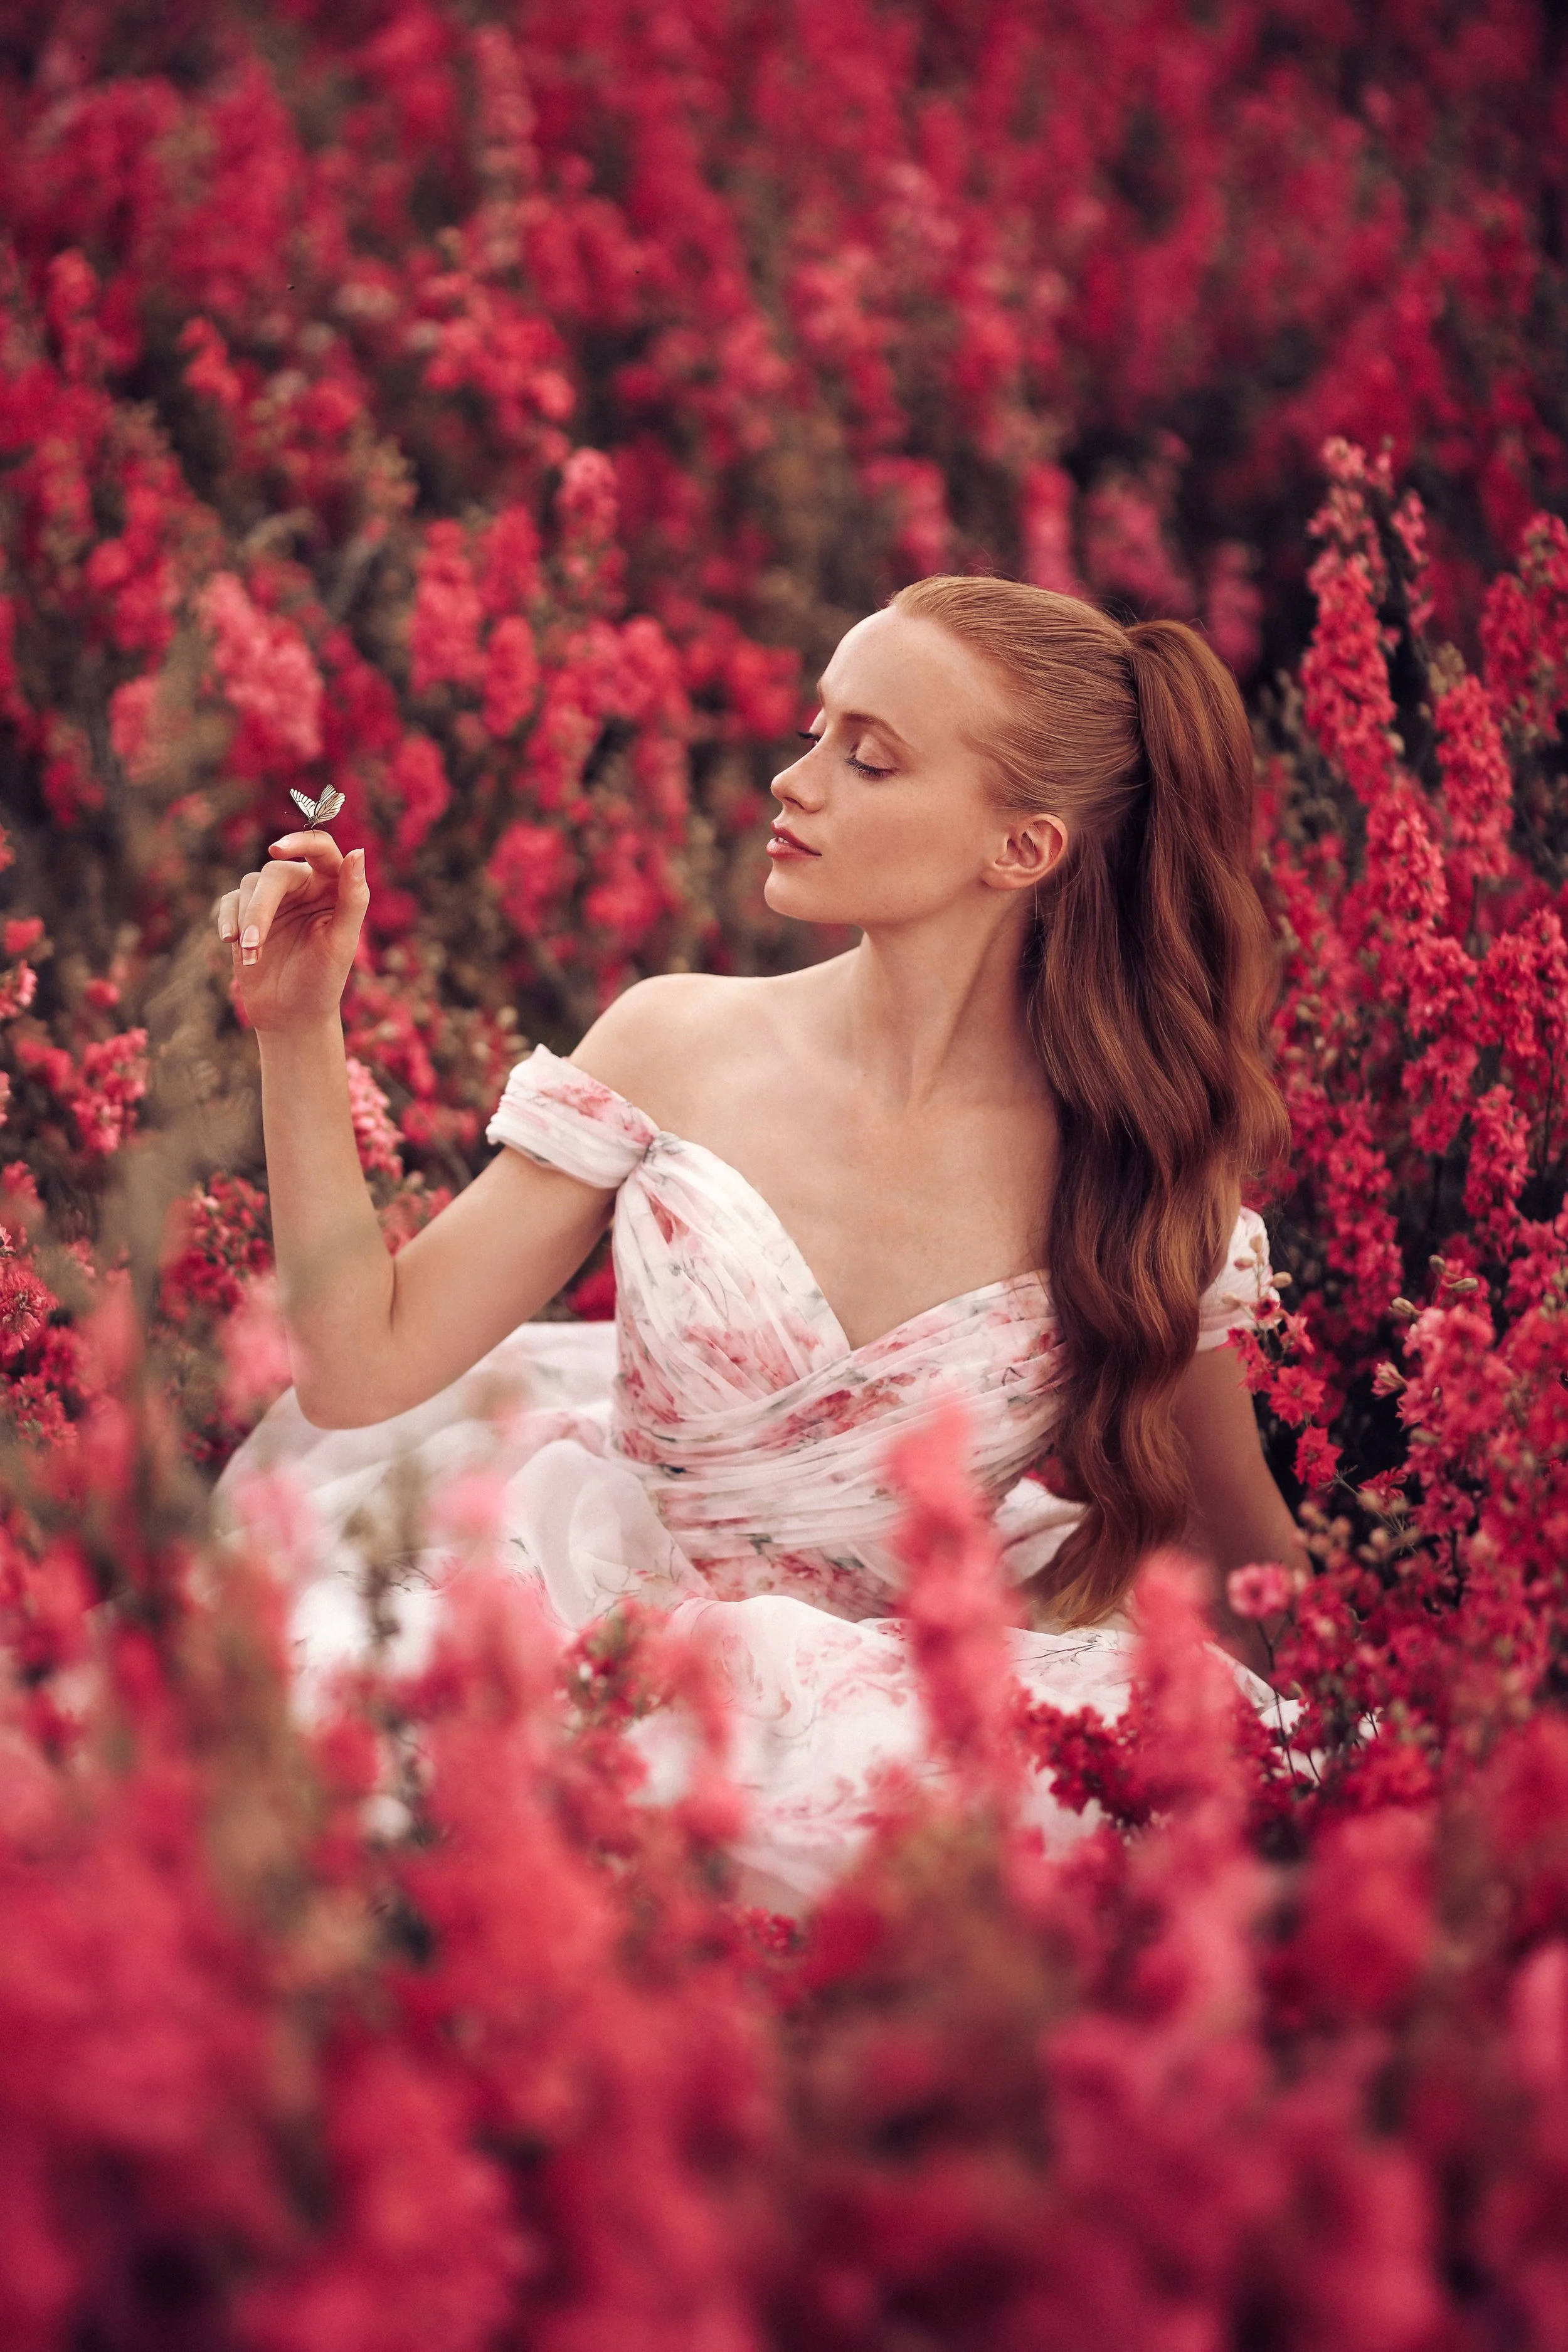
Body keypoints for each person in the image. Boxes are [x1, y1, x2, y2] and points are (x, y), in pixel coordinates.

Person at [213, 576, 1306, 1909]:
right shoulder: (676, 1041)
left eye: (868, 758)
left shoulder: (1137, 1169)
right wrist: (297, 1029)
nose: (794, 782)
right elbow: (359, 1366)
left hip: (914, 1691)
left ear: (1020, 849)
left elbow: (1245, 1558)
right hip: (607, 1608)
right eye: (811, 731)